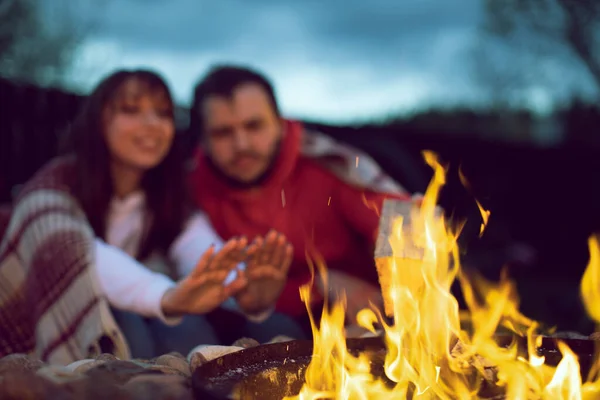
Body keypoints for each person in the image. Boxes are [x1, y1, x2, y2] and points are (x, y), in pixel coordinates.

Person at [0, 69, 294, 364]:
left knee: (215, 326)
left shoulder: (166, 193)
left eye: (163, 113)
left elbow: (199, 248)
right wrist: (167, 297)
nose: (153, 124)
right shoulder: (52, 187)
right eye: (131, 110)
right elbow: (77, 254)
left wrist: (241, 287)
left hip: (146, 303)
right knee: (131, 323)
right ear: (97, 120)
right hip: (38, 329)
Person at [187, 65, 413, 336]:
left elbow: (401, 221)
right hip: (269, 325)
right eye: (223, 133)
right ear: (202, 140)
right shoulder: (188, 191)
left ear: (281, 124)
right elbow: (224, 293)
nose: (242, 144)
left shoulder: (331, 165)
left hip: (369, 319)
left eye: (254, 126)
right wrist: (318, 285)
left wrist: (405, 282)